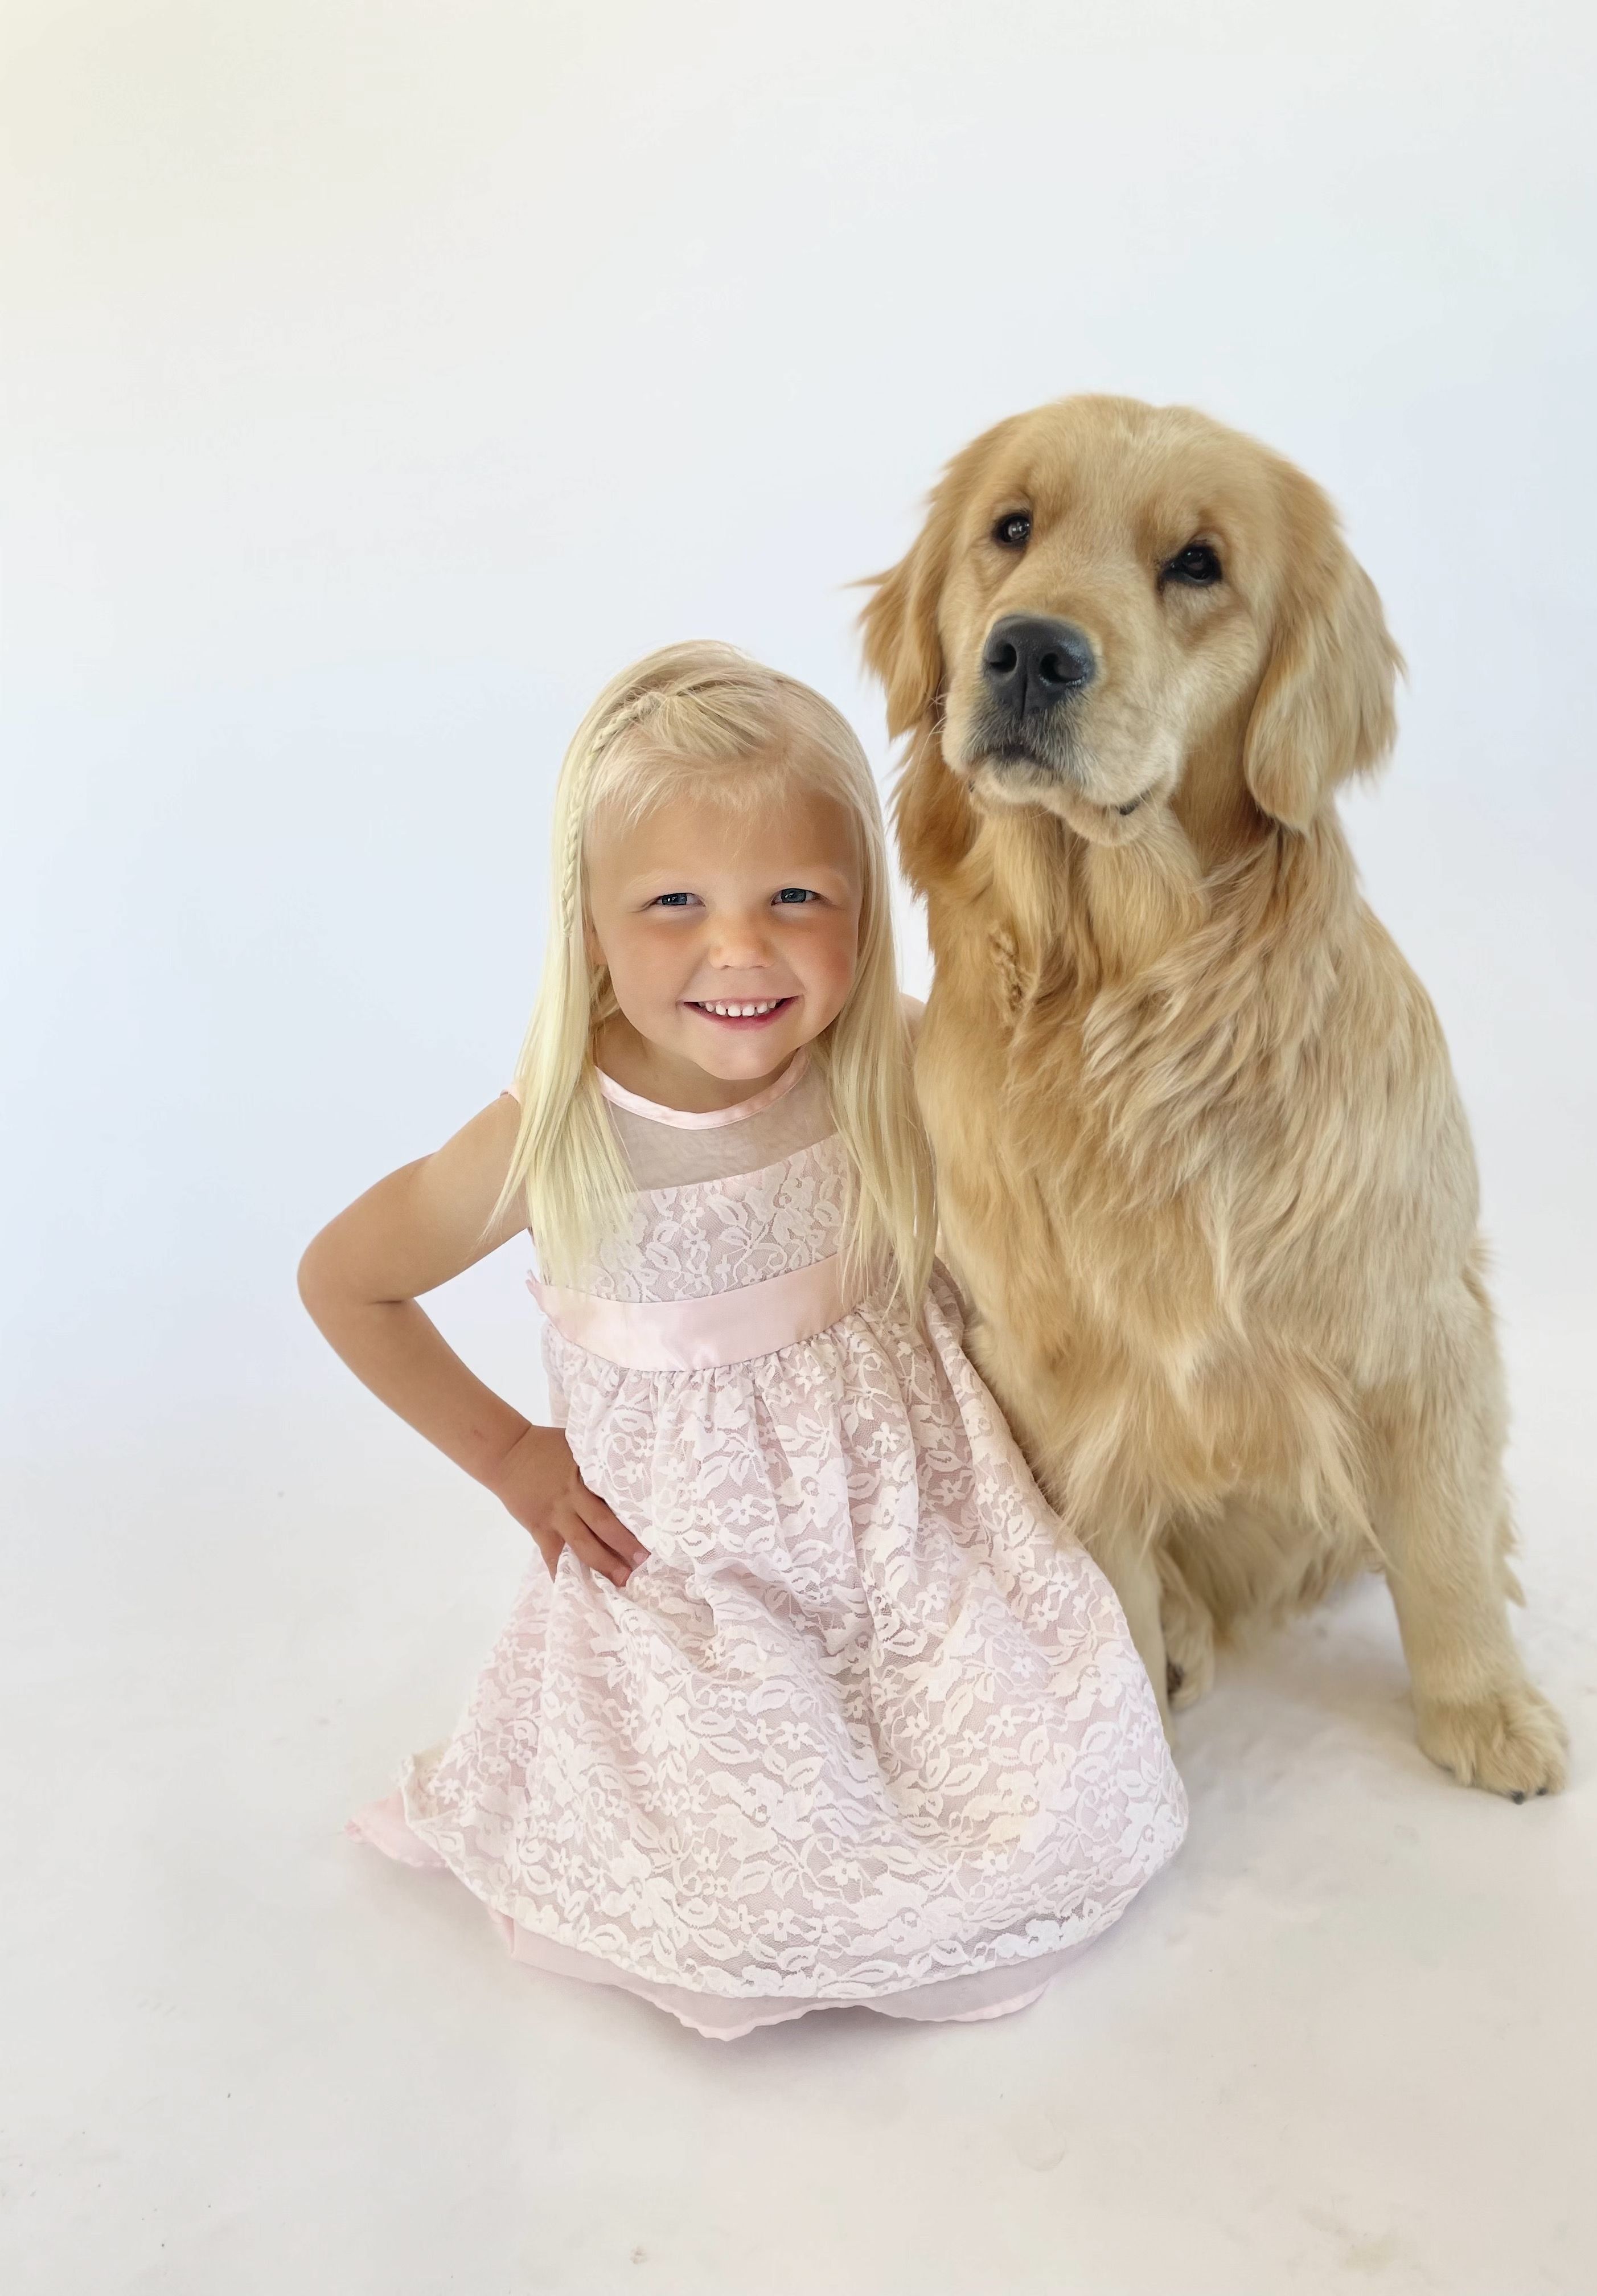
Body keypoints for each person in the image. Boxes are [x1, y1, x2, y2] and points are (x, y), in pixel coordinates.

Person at [299, 641, 1186, 2038]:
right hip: (705, 1576)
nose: (741, 951)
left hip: (908, 1519)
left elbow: (1051, 1165)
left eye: (796, 898)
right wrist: (516, 1458)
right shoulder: (560, 1132)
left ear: (862, 909)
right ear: (591, 927)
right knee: (750, 1867)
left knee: (1064, 1760)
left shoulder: (883, 1060)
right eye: (674, 903)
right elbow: (346, 1281)